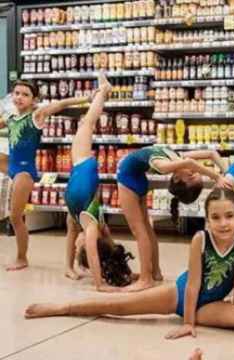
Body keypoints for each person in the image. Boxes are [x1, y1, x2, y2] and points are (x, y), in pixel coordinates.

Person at [24, 188, 234, 344]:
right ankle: (63, 307)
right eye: (215, 217)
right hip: (180, 294)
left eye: (229, 216)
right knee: (117, 307)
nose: (223, 223)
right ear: (206, 220)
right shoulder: (201, 239)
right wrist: (188, 323)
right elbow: (193, 284)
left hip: (212, 305)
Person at [0, 81, 93, 271]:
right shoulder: (10, 116)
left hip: (24, 172)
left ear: (34, 99)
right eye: (16, 93)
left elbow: (61, 104)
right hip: (10, 164)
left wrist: (87, 98)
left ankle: (21, 257)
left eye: (25, 95)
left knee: (16, 218)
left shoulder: (37, 115)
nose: (19, 97)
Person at [116, 145, 226, 292]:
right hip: (138, 179)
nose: (193, 170)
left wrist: (216, 177)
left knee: (139, 232)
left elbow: (189, 163)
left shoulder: (164, 166)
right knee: (147, 230)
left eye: (191, 175)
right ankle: (155, 272)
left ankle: (145, 279)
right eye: (194, 173)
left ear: (176, 177)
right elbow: (211, 153)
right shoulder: (177, 157)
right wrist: (226, 173)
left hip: (127, 180)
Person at [63, 73, 133, 291]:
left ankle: (103, 91)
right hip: (80, 178)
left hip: (81, 179)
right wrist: (107, 277)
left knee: (87, 124)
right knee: (87, 124)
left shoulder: (89, 227)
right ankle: (103, 90)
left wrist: (95, 279)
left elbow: (91, 248)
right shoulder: (95, 228)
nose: (79, 246)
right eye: (79, 249)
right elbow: (102, 249)